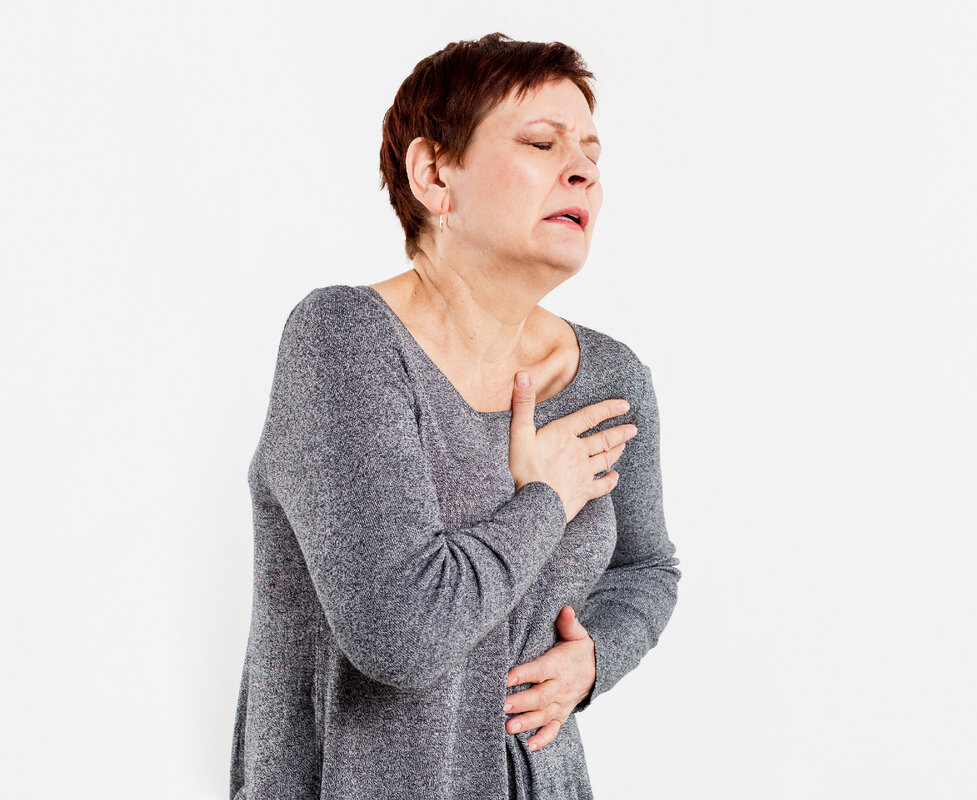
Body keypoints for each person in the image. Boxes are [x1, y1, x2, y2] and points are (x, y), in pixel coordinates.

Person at [229, 32, 681, 800]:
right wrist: (545, 499)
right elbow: (399, 636)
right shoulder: (342, 342)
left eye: (591, 154)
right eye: (542, 142)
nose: (583, 171)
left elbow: (647, 567)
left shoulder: (609, 378)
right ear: (435, 175)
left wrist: (594, 658)